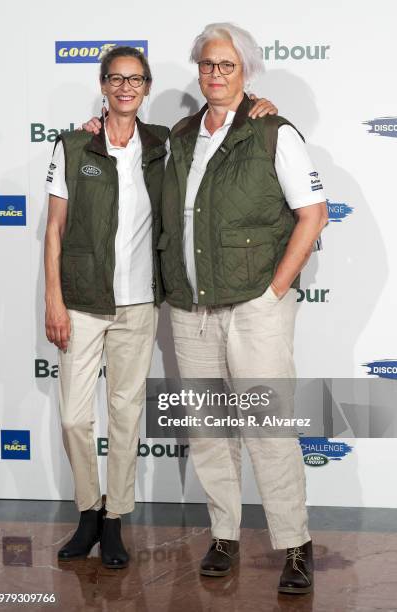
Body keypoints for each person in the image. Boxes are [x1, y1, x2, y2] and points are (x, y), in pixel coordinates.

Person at [46, 45, 276, 569]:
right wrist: (53, 298)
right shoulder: (74, 145)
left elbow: (219, 121)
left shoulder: (162, 144)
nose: (126, 87)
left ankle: (114, 519)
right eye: (116, 78)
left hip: (141, 303)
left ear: (147, 88)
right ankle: (88, 508)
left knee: (125, 415)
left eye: (136, 79)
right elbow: (54, 230)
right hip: (81, 302)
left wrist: (258, 102)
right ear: (103, 85)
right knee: (74, 417)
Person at [159, 23, 328, 594]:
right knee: (209, 432)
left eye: (226, 65)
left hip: (256, 304)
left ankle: (296, 545)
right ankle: (224, 534)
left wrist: (275, 290)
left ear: (245, 71)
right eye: (207, 64)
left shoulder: (273, 131)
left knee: (268, 430)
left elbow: (314, 213)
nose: (214, 74)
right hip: (191, 307)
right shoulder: (181, 135)